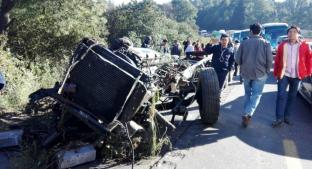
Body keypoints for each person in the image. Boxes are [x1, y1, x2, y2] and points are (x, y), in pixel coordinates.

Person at [272, 25, 312, 127]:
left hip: (297, 76)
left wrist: (307, 72)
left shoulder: (304, 46)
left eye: (294, 32)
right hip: (284, 74)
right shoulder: (282, 45)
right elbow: (277, 60)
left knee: (292, 97)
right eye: (290, 32)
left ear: (298, 34)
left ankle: (287, 117)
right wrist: (276, 73)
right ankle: (279, 118)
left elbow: (309, 60)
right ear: (287, 34)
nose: (292, 34)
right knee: (280, 96)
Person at [235, 23, 273, 128]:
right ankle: (247, 114)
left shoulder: (244, 43)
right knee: (256, 95)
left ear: (250, 31)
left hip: (246, 73)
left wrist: (243, 65)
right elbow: (270, 60)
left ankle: (246, 113)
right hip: (260, 73)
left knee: (247, 94)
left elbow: (237, 59)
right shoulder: (266, 43)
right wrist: (267, 71)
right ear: (260, 31)